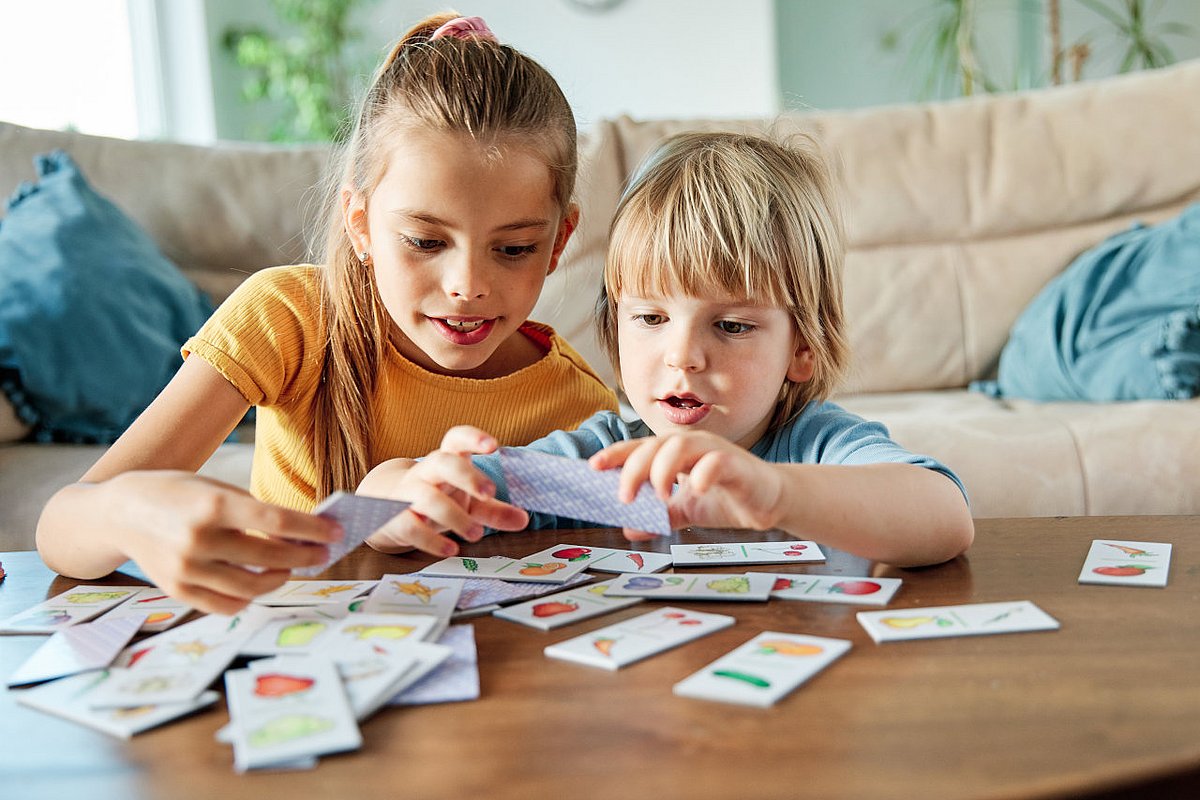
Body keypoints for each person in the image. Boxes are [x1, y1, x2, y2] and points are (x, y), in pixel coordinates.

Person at [35, 13, 617, 613]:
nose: (468, 286)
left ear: (560, 242)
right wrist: (130, 513)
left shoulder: (580, 407)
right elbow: (60, 532)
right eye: (425, 241)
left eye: (514, 249)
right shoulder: (287, 318)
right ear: (361, 225)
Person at [360, 131, 974, 567]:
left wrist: (775, 493)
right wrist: (407, 494)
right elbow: (403, 496)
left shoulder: (815, 446)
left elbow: (945, 518)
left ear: (803, 347)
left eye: (731, 326)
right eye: (651, 317)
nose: (683, 356)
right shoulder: (600, 463)